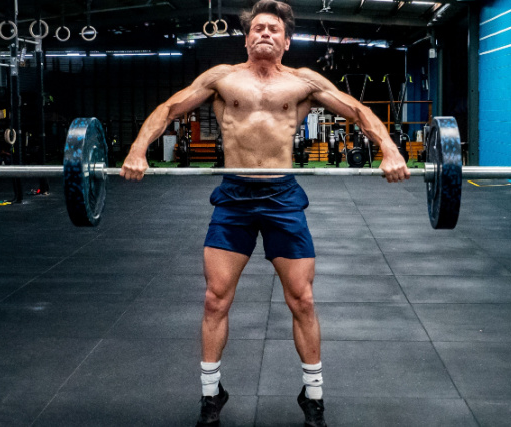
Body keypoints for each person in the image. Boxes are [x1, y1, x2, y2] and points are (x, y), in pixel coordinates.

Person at [120, 1, 410, 425]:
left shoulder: (303, 82)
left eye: (274, 29)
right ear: (246, 37)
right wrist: (136, 149)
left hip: (282, 197)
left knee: (303, 299)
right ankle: (209, 395)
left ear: (287, 41)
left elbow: (359, 110)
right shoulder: (222, 78)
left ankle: (313, 396)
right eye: (257, 28)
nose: (265, 34)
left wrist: (389, 148)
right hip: (234, 197)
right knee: (215, 299)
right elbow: (169, 109)